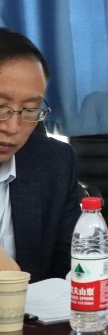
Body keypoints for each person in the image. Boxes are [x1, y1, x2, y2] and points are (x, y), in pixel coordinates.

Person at [0, 28, 81, 281]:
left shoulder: (54, 162)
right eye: (0, 107)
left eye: (29, 110)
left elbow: (75, 270)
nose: (13, 127)